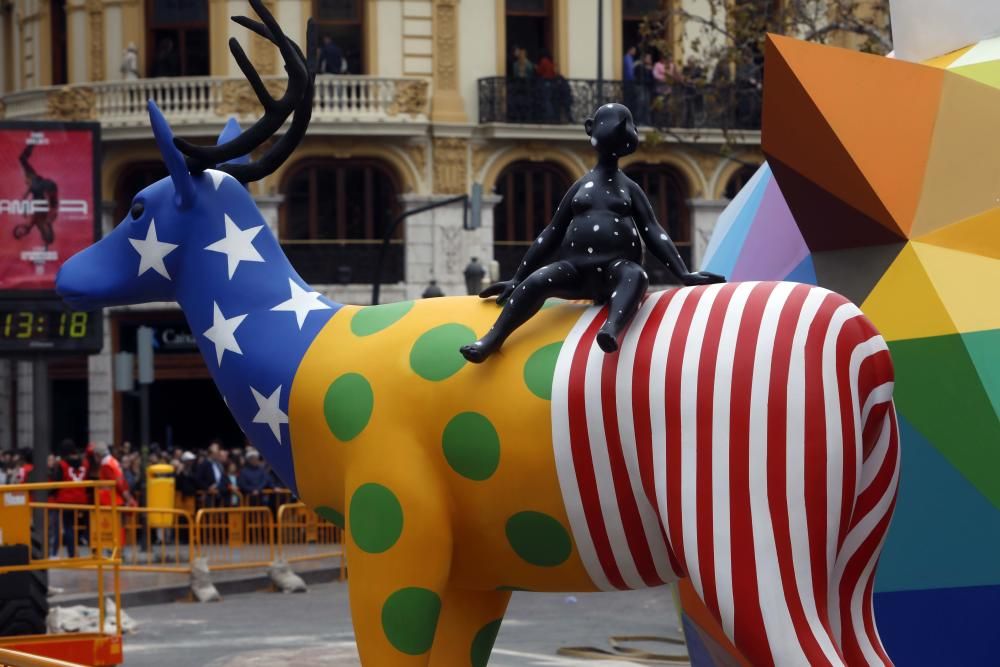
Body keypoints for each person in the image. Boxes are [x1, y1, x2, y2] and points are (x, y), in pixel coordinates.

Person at [460, 103, 723, 362]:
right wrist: (518, 278)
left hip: (614, 272)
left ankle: (611, 328)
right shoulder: (580, 187)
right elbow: (552, 231)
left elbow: (652, 230)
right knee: (538, 281)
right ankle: (492, 338)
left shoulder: (629, 188)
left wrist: (683, 273)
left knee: (635, 275)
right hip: (575, 272)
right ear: (589, 128)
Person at [15, 143, 58, 247]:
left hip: (39, 187)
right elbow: (51, 202)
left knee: (22, 159)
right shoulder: (50, 218)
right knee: (23, 161)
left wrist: (25, 197)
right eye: (47, 233)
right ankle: (33, 142)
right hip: (44, 187)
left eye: (19, 232)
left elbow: (29, 223)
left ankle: (32, 143)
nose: (21, 232)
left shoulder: (36, 223)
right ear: (49, 231)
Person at [51, 442, 89, 558]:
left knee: (66, 527)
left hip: (65, 499)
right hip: (81, 499)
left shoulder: (62, 465)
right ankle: (73, 552)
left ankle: (64, 553)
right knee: (73, 526)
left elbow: (56, 482)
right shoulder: (85, 463)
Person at [195, 441, 230, 507]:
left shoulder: (219, 465)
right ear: (211, 453)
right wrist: (208, 488)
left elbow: (223, 478)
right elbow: (198, 479)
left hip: (219, 495)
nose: (219, 454)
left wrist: (220, 487)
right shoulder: (204, 464)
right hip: (208, 496)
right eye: (217, 452)